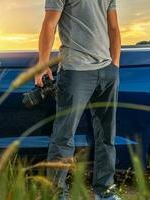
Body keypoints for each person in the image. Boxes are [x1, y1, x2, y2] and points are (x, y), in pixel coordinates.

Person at [36, 0, 121, 199]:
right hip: (75, 71)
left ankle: (105, 192)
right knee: (63, 136)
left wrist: (114, 65)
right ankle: (56, 194)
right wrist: (43, 63)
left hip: (106, 72)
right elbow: (49, 24)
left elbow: (114, 27)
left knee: (107, 136)